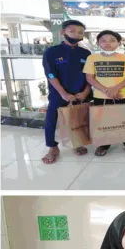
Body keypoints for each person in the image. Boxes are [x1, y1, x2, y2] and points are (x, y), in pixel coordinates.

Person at [39, 20, 92, 164]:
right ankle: (52, 147)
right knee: (52, 120)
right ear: (63, 32)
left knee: (78, 119)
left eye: (80, 32)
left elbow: (90, 76)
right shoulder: (52, 52)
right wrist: (63, 93)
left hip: (81, 94)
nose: (76, 34)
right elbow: (50, 75)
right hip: (58, 93)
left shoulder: (85, 53)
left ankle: (77, 142)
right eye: (72, 31)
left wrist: (86, 91)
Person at [84, 30, 125, 156]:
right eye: (103, 40)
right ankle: (104, 145)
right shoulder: (92, 58)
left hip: (123, 95)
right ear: (98, 43)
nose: (108, 43)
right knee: (103, 122)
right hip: (101, 96)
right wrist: (105, 90)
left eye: (112, 40)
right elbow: (89, 77)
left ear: (119, 43)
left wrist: (115, 88)